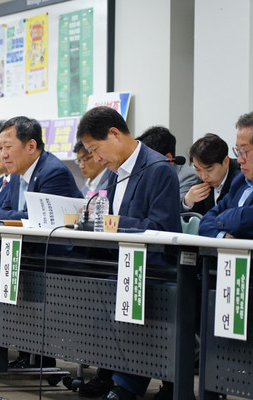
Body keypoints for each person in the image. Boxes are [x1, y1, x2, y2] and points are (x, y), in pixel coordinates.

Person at [77, 106, 181, 400]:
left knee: (127, 302)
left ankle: (126, 386)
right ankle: (108, 373)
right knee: (89, 290)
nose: (96, 158)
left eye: (96, 149)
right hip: (123, 264)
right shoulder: (115, 172)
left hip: (153, 270)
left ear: (114, 134)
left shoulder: (157, 168)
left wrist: (113, 224)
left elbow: (160, 228)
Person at [0, 116, 83, 224]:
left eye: (8, 147)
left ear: (31, 146)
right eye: (1, 148)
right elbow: (6, 210)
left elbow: (40, 218)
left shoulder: (53, 173)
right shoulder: (16, 175)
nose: (3, 155)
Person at [199, 111, 253, 239]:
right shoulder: (240, 181)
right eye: (238, 151)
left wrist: (222, 218)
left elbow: (245, 220)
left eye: (244, 151)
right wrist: (223, 237)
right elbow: (205, 222)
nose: (240, 160)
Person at [136, 126, 200, 202]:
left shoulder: (188, 176)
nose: (146, 162)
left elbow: (177, 206)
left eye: (150, 157)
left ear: (168, 157)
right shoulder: (142, 173)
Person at [183, 133, 240, 215]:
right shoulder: (202, 182)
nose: (203, 176)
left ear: (226, 161)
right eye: (197, 169)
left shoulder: (242, 178)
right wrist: (188, 202)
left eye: (209, 169)